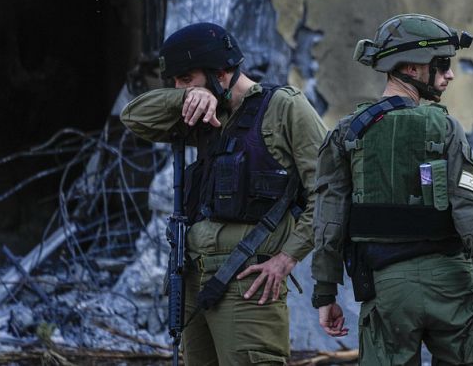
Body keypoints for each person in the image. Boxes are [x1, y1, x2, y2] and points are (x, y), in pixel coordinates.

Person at [311, 14, 473, 365]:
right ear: (411, 67)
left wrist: (325, 292)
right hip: (452, 290)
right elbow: (472, 215)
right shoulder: (447, 128)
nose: (450, 74)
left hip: (388, 292)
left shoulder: (347, 134)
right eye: (442, 64)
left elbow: (328, 222)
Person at [121, 22, 326, 366]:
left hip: (248, 279)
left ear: (220, 72)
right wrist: (186, 96)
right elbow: (134, 117)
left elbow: (327, 192)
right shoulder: (204, 114)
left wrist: (288, 258)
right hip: (191, 275)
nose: (179, 87)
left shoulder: (284, 107)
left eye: (185, 79)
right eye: (175, 82)